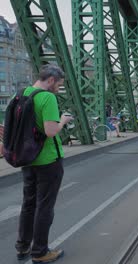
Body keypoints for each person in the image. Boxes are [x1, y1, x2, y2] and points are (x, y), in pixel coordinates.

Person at [14, 64, 71, 263]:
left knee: (28, 204)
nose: (59, 88)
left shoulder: (21, 94)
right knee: (44, 206)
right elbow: (51, 131)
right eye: (59, 85)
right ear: (51, 80)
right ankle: (40, 252)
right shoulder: (47, 97)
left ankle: (22, 247)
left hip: (27, 158)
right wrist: (62, 121)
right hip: (48, 160)